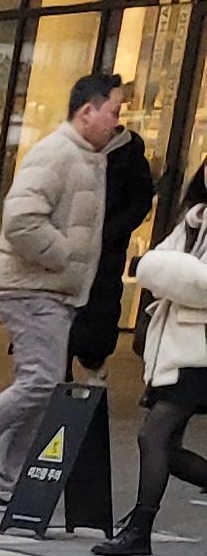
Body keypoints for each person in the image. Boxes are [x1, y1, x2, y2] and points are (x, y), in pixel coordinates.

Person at [0, 69, 125, 511]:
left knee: (41, 386)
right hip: (32, 287)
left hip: (50, 289)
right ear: (87, 111)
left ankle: (4, 486)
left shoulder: (88, 157)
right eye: (113, 112)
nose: (117, 122)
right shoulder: (58, 153)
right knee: (40, 380)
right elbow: (21, 220)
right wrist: (63, 255)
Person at [95, 164, 207, 556]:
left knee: (153, 435)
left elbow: (190, 280)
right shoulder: (193, 220)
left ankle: (140, 529)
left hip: (199, 352)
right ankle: (138, 529)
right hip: (175, 347)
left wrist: (168, 273)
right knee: (167, 447)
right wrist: (172, 274)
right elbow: (158, 270)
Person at [73, 111, 157, 378]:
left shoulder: (129, 155)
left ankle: (94, 365)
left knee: (99, 310)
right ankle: (59, 373)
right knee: (62, 313)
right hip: (69, 248)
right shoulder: (73, 149)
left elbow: (140, 201)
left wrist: (110, 232)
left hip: (105, 251)